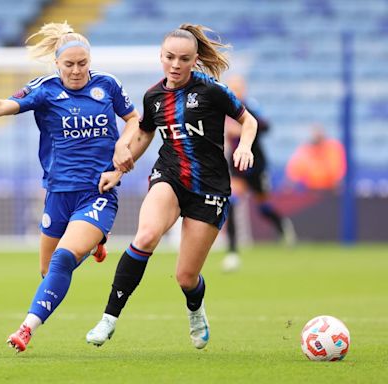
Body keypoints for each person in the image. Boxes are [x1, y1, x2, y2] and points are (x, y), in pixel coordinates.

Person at [0, 22, 140, 353]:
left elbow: (133, 119)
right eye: (69, 64)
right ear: (57, 63)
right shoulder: (44, 89)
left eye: (82, 63)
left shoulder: (109, 86)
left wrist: (123, 148)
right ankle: (92, 243)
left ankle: (25, 329)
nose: (76, 71)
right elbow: (3, 106)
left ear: (90, 61)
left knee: (61, 261)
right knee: (47, 271)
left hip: (97, 193)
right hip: (58, 194)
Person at [85, 23, 258, 349]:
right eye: (169, 57)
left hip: (209, 187)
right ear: (160, 56)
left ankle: (195, 309)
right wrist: (116, 170)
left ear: (195, 61)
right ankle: (109, 319)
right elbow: (146, 134)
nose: (175, 64)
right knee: (147, 235)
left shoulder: (212, 91)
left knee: (185, 277)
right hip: (169, 175)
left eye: (183, 58)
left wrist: (245, 146)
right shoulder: (153, 96)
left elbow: (248, 120)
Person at [221, 74, 296, 273]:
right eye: (232, 87)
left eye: (238, 87)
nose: (235, 91)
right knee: (232, 204)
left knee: (263, 207)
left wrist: (243, 128)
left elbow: (266, 125)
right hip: (237, 165)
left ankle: (282, 225)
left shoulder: (250, 107)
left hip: (256, 164)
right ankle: (232, 252)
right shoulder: (221, 109)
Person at [285, 124, 346, 190]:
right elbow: (293, 176)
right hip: (311, 191)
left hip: (332, 191)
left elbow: (337, 175)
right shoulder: (305, 150)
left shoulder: (333, 148)